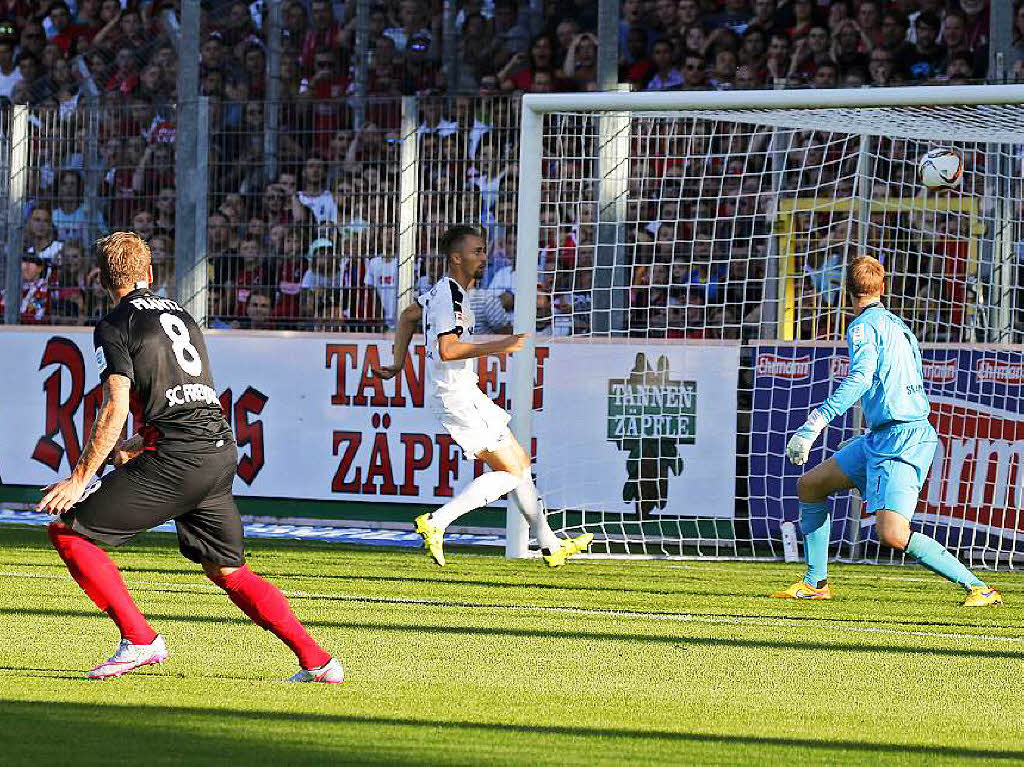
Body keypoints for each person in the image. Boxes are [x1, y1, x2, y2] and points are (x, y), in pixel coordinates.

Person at [38, 231, 343, 682]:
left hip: (177, 458)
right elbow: (189, 397)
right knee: (229, 570)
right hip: (217, 450)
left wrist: (81, 477)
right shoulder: (183, 316)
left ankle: (139, 640)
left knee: (69, 532)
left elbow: (115, 404)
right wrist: (140, 442)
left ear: (100, 279)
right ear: (150, 273)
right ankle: (319, 660)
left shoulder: (114, 325)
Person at [772, 256, 1002, 607]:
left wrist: (815, 422)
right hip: (884, 434)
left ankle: (979, 588)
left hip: (901, 440)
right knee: (811, 485)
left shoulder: (862, 327)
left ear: (846, 291)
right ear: (882, 288)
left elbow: (862, 377)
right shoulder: (898, 325)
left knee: (893, 535)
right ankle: (815, 583)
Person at [372, 225, 592, 567]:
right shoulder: (451, 296)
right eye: (477, 251)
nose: (484, 257)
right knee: (513, 471)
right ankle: (438, 521)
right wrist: (501, 344)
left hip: (461, 393)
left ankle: (550, 544)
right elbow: (448, 350)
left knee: (519, 463)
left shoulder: (441, 292)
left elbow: (407, 316)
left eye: (484, 250)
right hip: (456, 395)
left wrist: (398, 363)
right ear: (456, 257)